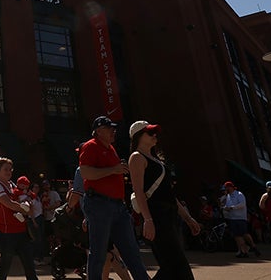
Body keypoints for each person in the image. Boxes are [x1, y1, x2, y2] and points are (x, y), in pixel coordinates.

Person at [128, 120, 200, 280]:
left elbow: (169, 194)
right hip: (157, 216)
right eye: (150, 132)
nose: (155, 135)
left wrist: (187, 218)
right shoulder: (137, 157)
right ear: (138, 135)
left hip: (170, 215)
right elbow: (138, 192)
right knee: (177, 267)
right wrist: (148, 219)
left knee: (172, 266)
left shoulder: (157, 160)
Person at [79, 115, 149, 280]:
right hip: (99, 204)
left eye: (113, 128)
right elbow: (85, 172)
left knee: (131, 250)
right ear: (98, 131)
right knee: (99, 251)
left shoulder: (111, 148)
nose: (113, 131)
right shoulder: (90, 146)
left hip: (117, 205)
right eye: (109, 128)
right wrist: (113, 170)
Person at [0, 157, 38, 280]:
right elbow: (9, 204)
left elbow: (27, 204)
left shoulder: (12, 185)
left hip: (21, 231)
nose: (9, 172)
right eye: (5, 169)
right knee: (5, 266)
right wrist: (24, 208)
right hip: (7, 233)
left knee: (29, 266)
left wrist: (28, 205)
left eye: (10, 169)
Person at [220, 181, 260, 258]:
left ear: (230, 187)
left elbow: (242, 204)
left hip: (240, 218)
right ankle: (243, 251)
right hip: (232, 218)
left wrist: (232, 207)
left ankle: (253, 246)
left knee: (244, 233)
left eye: (226, 188)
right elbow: (228, 206)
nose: (225, 190)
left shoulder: (239, 194)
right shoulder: (228, 196)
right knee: (237, 236)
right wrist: (225, 208)